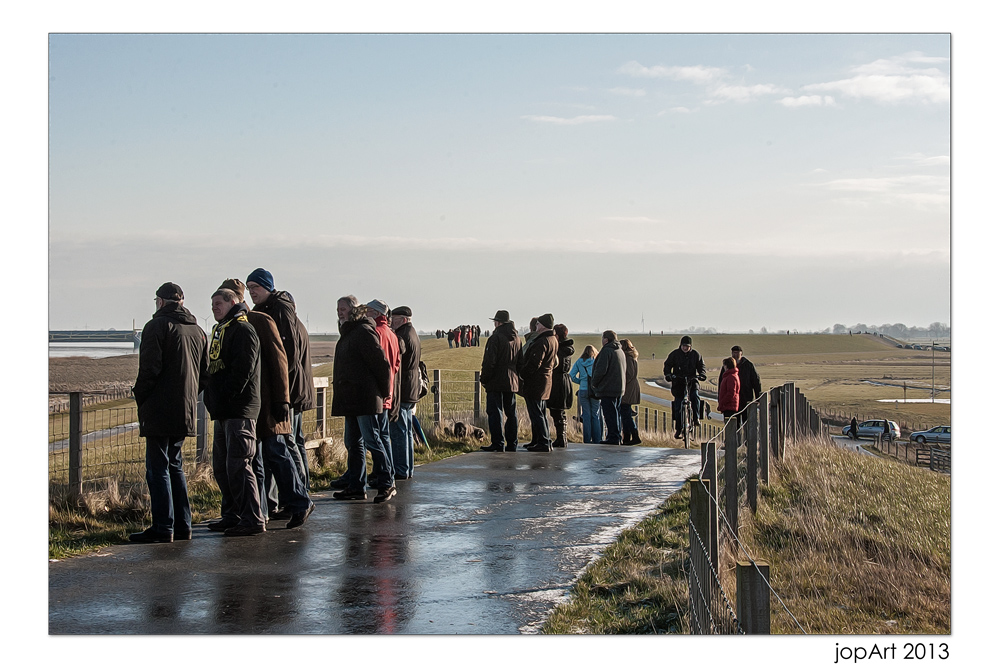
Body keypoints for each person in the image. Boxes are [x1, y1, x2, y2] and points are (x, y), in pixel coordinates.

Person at [218, 279, 313, 529]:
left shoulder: (260, 321)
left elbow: (281, 361)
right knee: (259, 459)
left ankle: (300, 501)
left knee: (277, 452)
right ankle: (260, 511)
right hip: (255, 405)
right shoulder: (233, 325)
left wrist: (283, 399)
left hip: (269, 403)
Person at [129, 282, 208, 543]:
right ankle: (183, 525)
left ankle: (164, 525)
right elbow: (204, 374)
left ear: (161, 302)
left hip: (159, 407)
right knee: (175, 465)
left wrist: (140, 396)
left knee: (157, 467)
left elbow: (149, 369)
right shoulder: (198, 331)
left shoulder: (156, 326)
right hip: (185, 407)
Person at [246, 268, 314, 491]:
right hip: (288, 387)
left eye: (255, 287)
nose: (251, 292)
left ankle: (299, 494)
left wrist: (279, 387)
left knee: (287, 441)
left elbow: (287, 354)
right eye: (249, 288)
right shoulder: (270, 309)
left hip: (287, 389)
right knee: (291, 441)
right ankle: (295, 494)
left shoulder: (279, 310)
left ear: (267, 287)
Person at [205, 288, 265, 537]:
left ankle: (252, 518)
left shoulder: (242, 329)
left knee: (239, 465)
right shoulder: (222, 329)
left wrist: (225, 395)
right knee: (221, 466)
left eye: (218, 303)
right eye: (212, 304)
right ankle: (232, 514)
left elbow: (243, 370)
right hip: (224, 410)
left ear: (233, 302)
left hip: (239, 409)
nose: (214, 308)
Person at [330, 296, 395, 503]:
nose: (340, 312)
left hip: (366, 399)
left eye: (343, 309)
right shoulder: (349, 332)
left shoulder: (363, 332)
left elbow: (382, 365)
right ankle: (357, 486)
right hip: (351, 400)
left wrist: (383, 393)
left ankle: (387, 482)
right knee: (353, 443)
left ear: (354, 310)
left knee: (372, 441)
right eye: (338, 309)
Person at [479, 310, 523, 452]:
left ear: (498, 323)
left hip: (496, 379)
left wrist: (484, 378)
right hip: (512, 380)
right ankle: (512, 443)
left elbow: (489, 362)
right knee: (511, 412)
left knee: (495, 411)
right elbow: (520, 361)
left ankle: (498, 442)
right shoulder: (517, 338)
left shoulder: (495, 338)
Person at [517, 314, 559, 451]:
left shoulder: (542, 341)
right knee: (540, 412)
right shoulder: (553, 339)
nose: (536, 327)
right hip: (545, 381)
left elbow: (534, 363)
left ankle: (544, 442)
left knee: (537, 413)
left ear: (543, 325)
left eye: (538, 324)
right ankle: (539, 440)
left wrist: (522, 373)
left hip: (536, 382)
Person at [390, 305, 421, 481]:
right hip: (411, 388)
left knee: (400, 430)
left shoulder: (402, 335)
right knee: (407, 430)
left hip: (403, 388)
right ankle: (407, 467)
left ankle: (401, 468)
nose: (391, 322)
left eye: (394, 319)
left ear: (402, 319)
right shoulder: (413, 334)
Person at [662, 335, 707, 439]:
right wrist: (668, 375)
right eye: (683, 346)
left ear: (690, 346)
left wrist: (702, 374)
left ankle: (696, 418)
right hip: (678, 383)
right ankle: (678, 429)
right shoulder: (674, 354)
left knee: (695, 397)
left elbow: (701, 366)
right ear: (680, 345)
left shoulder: (696, 355)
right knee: (678, 405)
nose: (685, 348)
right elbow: (667, 365)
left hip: (692, 381)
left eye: (687, 346)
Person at [591, 330, 626, 445]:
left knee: (610, 414)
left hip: (608, 388)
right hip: (619, 387)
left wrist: (594, 383)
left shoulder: (607, 351)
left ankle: (613, 436)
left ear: (606, 339)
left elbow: (601, 370)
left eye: (602, 338)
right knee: (616, 413)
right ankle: (617, 435)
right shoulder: (620, 350)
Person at [719, 345, 763, 426]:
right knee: (735, 423)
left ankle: (747, 438)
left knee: (747, 422)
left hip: (746, 397)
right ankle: (737, 438)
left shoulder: (748, 365)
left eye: (737, 353)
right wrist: (720, 400)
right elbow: (721, 384)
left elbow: (756, 381)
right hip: (733, 400)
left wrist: (758, 397)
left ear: (741, 353)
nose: (735, 355)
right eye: (733, 353)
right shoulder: (727, 366)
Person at [547, 324, 575, 448]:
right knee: (560, 411)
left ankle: (561, 437)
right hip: (564, 380)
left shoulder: (558, 349)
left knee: (556, 410)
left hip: (557, 380)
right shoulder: (567, 349)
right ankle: (562, 436)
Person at [569, 345, 603, 443]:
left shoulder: (580, 362)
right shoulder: (596, 362)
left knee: (586, 416)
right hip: (594, 390)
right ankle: (597, 439)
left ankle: (587, 439)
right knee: (595, 415)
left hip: (583, 390)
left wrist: (581, 381)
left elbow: (571, 375)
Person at [619, 338, 641, 446]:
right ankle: (627, 437)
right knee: (625, 412)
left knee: (625, 412)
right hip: (631, 386)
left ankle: (634, 435)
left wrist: (621, 383)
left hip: (628, 388)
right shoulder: (632, 357)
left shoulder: (627, 358)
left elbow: (629, 374)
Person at [717, 357, 741, 421]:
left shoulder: (731, 377)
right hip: (729, 405)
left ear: (727, 366)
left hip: (729, 406)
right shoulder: (732, 375)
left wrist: (722, 402)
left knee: (729, 426)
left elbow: (731, 393)